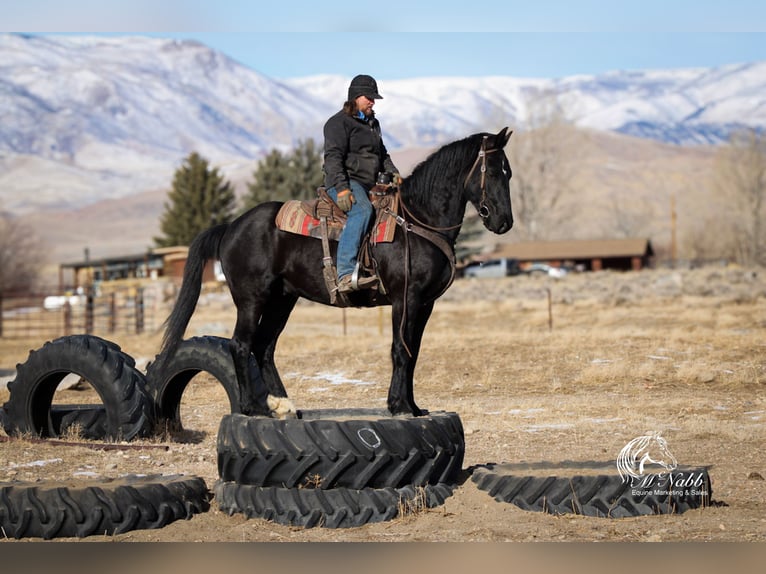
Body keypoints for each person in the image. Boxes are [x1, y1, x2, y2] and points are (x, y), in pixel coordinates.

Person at [323, 74, 399, 293]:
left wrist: (394, 173)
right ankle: (345, 273)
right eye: (369, 98)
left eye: (374, 98)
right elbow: (333, 158)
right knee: (363, 211)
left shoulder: (373, 123)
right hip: (347, 181)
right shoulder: (338, 123)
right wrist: (342, 188)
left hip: (370, 182)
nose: (373, 102)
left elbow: (381, 153)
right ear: (355, 97)